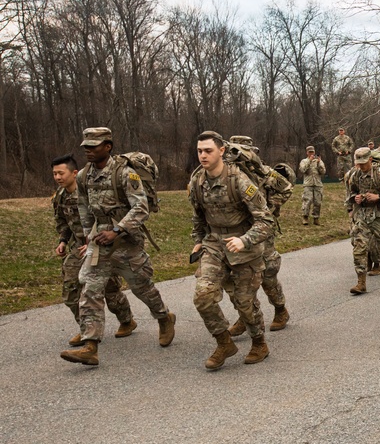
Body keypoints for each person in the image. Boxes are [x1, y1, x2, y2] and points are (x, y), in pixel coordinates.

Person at [60, 127, 175, 366]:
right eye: (86, 147)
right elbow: (83, 205)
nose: (89, 150)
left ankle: (164, 317)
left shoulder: (125, 174)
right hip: (99, 243)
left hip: (127, 242)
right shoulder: (83, 176)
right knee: (89, 288)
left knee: (142, 288)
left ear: (108, 147)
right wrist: (87, 235)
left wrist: (117, 230)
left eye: (94, 146)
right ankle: (90, 346)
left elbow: (141, 208)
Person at [189, 131, 275, 370]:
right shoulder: (197, 180)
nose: (203, 155)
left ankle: (259, 343)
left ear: (222, 151)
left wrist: (245, 240)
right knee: (203, 297)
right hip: (214, 244)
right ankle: (224, 342)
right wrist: (198, 239)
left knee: (244, 304)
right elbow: (197, 216)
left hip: (243, 247)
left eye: (208, 151)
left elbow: (265, 220)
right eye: (199, 151)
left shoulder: (239, 181)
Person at [51, 154, 134, 348]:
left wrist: (92, 241)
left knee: (110, 291)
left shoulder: (90, 192)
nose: (57, 177)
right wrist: (63, 241)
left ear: (74, 173)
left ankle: (127, 320)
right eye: (54, 174)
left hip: (100, 243)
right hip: (77, 247)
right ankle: (86, 330)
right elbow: (63, 222)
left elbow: (102, 217)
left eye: (61, 173)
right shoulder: (60, 196)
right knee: (71, 290)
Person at [226, 136, 293, 334]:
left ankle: (280, 309)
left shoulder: (265, 173)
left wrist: (271, 207)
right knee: (240, 276)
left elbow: (287, 189)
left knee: (268, 274)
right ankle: (245, 316)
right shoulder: (230, 174)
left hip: (263, 231)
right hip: (239, 232)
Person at [344, 146, 380, 294]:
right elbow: (351, 192)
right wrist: (355, 199)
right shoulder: (355, 175)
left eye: (364, 163)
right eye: (359, 163)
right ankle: (361, 282)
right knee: (359, 247)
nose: (361, 166)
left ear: (370, 159)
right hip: (362, 215)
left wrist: (379, 197)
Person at [298, 145, 326, 225]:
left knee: (318, 202)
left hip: (317, 184)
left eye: (312, 152)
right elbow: (303, 170)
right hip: (308, 184)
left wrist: (319, 163)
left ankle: (316, 218)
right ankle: (305, 217)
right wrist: (309, 161)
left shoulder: (319, 161)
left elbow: (323, 172)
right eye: (310, 152)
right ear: (307, 153)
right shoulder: (304, 161)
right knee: (307, 200)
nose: (311, 154)